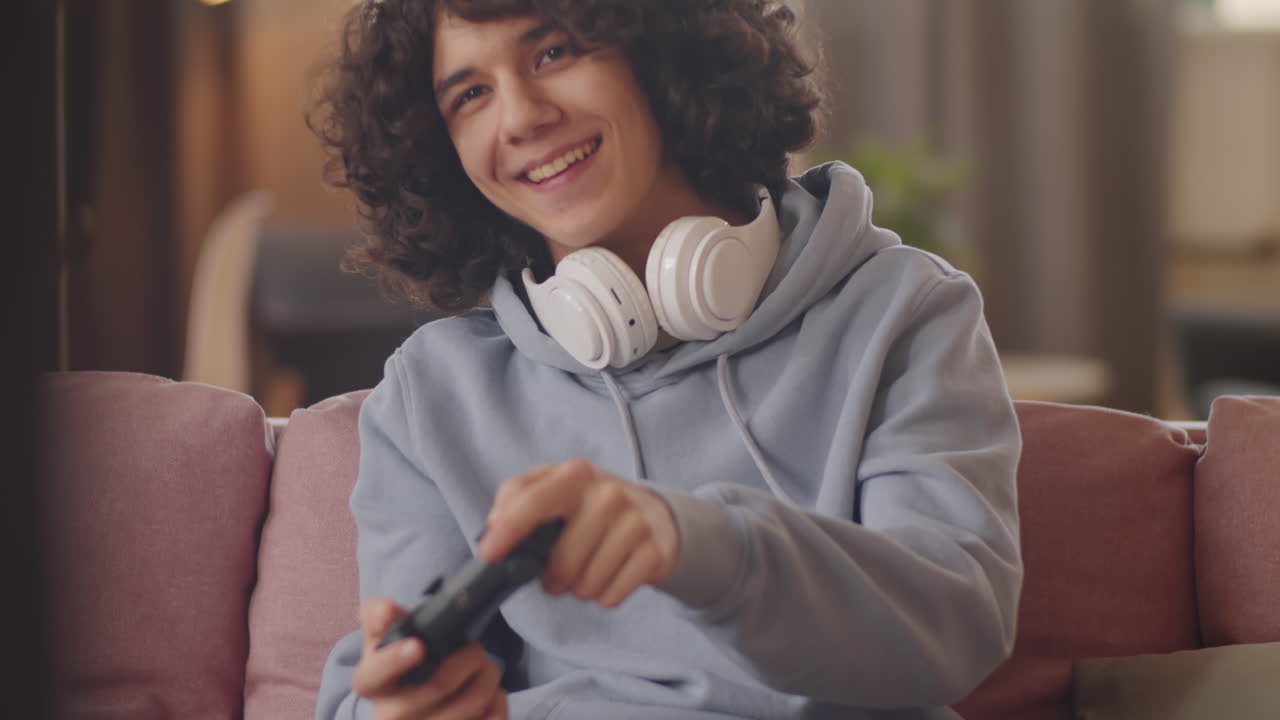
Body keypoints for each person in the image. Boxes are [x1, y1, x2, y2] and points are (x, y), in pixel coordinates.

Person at [309, 1, 1023, 718]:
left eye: (553, 52)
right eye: (470, 95)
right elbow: (365, 693)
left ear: (660, 48)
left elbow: (955, 620)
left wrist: (703, 546)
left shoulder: (902, 310)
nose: (520, 118)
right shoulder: (432, 393)